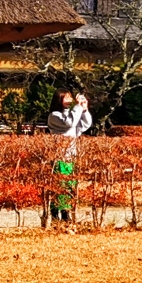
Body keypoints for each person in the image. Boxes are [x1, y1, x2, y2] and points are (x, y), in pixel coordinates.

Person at [44, 92, 91, 222]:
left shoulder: (72, 114)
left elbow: (85, 125)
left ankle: (66, 214)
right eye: (66, 97)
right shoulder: (54, 116)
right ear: (58, 100)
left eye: (71, 97)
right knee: (59, 186)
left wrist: (85, 110)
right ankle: (56, 216)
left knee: (69, 186)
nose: (70, 100)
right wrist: (77, 107)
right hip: (59, 157)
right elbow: (69, 123)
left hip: (71, 156)